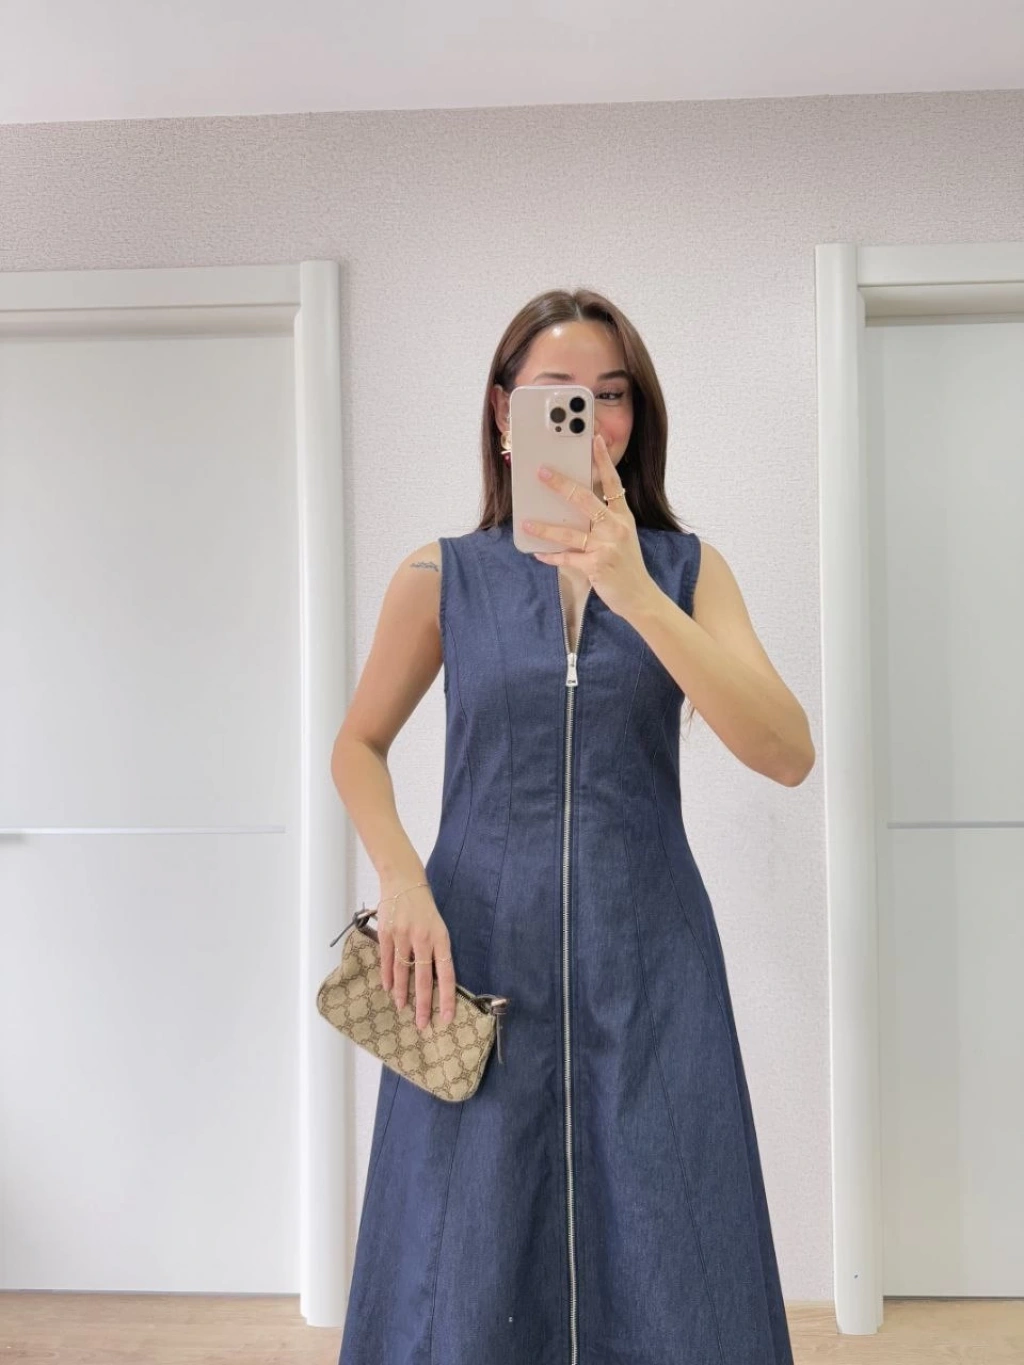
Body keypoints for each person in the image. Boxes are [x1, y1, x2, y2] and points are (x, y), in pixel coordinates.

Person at [331, 288, 814, 1365]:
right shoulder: (439, 576)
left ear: (636, 417)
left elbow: (785, 751)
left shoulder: (688, 572)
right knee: (463, 1251)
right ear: (505, 411)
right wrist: (402, 881)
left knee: (675, 1242)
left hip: (652, 958)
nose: (589, 417)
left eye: (612, 394)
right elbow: (356, 745)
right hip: (472, 956)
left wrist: (636, 591)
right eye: (559, 394)